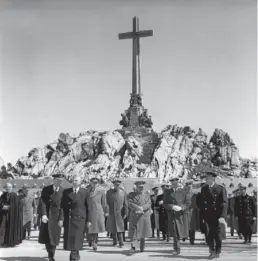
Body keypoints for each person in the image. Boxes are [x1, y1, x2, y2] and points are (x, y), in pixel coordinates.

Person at [59, 175, 91, 261]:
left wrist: (89, 220)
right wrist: (61, 218)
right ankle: (74, 254)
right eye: (73, 180)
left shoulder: (85, 192)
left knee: (77, 237)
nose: (74, 181)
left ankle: (74, 255)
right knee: (71, 237)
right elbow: (62, 206)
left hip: (80, 218)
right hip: (69, 218)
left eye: (76, 180)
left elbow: (89, 207)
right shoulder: (66, 192)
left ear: (80, 182)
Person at [199, 170, 228, 259]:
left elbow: (224, 203)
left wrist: (222, 216)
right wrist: (202, 216)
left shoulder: (220, 188)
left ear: (213, 179)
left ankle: (217, 251)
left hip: (217, 215)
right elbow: (202, 203)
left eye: (208, 178)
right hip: (207, 215)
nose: (206, 180)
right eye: (206, 178)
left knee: (217, 235)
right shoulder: (204, 188)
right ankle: (212, 251)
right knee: (209, 234)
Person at [38, 174, 64, 261]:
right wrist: (43, 214)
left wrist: (61, 218)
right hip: (48, 216)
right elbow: (42, 203)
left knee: (55, 236)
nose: (59, 182)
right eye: (57, 180)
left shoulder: (63, 191)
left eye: (60, 180)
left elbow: (63, 207)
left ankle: (51, 254)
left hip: (56, 217)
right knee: (47, 237)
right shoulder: (46, 189)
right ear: (54, 180)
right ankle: (50, 253)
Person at [163, 177, 190, 255]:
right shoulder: (167, 192)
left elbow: (188, 203)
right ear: (171, 184)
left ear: (178, 183)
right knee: (175, 232)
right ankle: (177, 248)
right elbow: (164, 204)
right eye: (173, 184)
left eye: (176, 183)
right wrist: (172, 206)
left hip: (181, 214)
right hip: (172, 214)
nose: (175, 185)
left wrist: (182, 207)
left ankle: (179, 245)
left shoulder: (183, 192)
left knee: (180, 231)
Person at [128, 180, 152, 253]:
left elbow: (148, 204)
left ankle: (142, 247)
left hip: (143, 216)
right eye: (139, 187)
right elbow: (130, 203)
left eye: (142, 187)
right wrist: (137, 207)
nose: (141, 188)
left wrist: (142, 208)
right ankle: (134, 247)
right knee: (134, 233)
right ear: (136, 187)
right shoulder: (131, 195)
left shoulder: (147, 195)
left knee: (142, 232)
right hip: (135, 215)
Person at [86, 177, 107, 251]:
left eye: (96, 183)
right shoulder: (87, 191)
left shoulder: (101, 191)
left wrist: (105, 212)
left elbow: (104, 203)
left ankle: (95, 243)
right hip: (88, 211)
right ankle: (90, 239)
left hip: (97, 211)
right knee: (89, 228)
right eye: (93, 182)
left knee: (96, 228)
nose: (95, 184)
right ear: (90, 183)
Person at [0, 182, 23, 247]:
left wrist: (9, 207)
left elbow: (15, 205)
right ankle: (3, 242)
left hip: (12, 214)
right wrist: (2, 206)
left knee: (11, 227)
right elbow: (1, 202)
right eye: (7, 187)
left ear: (12, 188)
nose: (8, 188)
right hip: (4, 214)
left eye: (9, 187)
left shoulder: (14, 195)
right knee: (3, 227)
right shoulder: (3, 195)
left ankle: (11, 242)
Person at [106, 179, 128, 247]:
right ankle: (114, 241)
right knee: (113, 228)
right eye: (115, 185)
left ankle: (121, 242)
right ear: (114, 185)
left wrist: (125, 213)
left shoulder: (123, 192)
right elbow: (106, 203)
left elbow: (125, 204)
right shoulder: (109, 192)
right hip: (112, 212)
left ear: (120, 185)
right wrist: (107, 211)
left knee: (120, 229)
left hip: (120, 213)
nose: (117, 186)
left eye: (118, 185)